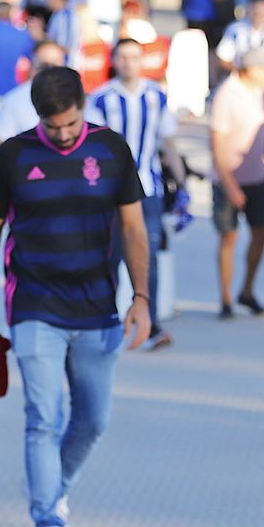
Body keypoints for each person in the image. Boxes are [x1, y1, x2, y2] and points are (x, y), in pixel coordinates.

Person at [0, 66, 150, 527]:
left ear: (82, 108)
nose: (63, 135)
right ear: (38, 117)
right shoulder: (15, 155)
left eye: (70, 125)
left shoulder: (111, 150)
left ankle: (52, 484)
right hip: (35, 306)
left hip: (98, 308)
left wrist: (142, 297)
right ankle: (50, 525)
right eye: (53, 127)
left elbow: (133, 228)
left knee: (93, 420)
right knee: (43, 420)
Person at [89, 38, 184, 348]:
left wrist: (181, 184)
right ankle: (107, 321)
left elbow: (168, 142)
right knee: (112, 256)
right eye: (123, 57)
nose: (128, 62)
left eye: (134, 56)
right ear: (114, 60)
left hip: (148, 188)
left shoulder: (157, 96)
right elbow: (95, 149)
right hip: (112, 193)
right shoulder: (102, 98)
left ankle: (150, 323)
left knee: (148, 256)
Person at [209, 46, 264, 318]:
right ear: (249, 69)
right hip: (230, 177)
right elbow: (216, 144)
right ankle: (226, 297)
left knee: (261, 231)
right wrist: (229, 185)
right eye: (263, 69)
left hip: (256, 175)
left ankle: (247, 290)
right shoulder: (227, 94)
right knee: (229, 236)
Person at [0, 40, 68, 145]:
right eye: (44, 66)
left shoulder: (73, 94)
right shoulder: (14, 100)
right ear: (33, 65)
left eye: (55, 65)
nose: (50, 71)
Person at [214, 0, 264, 79]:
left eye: (263, 13)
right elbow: (223, 58)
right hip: (240, 81)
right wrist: (243, 74)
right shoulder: (235, 30)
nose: (259, 15)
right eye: (256, 12)